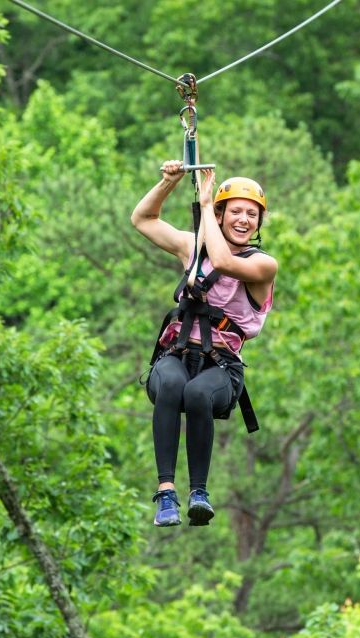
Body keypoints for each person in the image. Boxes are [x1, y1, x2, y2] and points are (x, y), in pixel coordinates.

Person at [131, 160, 278, 527]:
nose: (244, 220)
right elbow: (143, 219)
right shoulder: (192, 248)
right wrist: (169, 182)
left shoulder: (263, 265)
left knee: (196, 393)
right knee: (172, 383)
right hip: (178, 353)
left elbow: (225, 261)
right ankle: (166, 491)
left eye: (252, 215)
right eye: (236, 212)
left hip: (221, 369)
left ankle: (199, 492)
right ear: (222, 215)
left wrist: (207, 204)